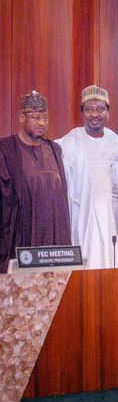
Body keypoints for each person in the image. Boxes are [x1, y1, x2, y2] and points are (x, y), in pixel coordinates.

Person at [0, 91, 71, 273]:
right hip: (23, 238)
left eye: (45, 118)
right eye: (36, 117)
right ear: (22, 117)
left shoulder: (54, 149)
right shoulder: (6, 150)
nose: (42, 123)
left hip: (54, 241)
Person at [56, 85, 118, 268]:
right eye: (89, 110)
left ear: (108, 112)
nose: (94, 114)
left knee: (112, 263)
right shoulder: (70, 141)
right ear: (82, 113)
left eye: (100, 109)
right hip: (83, 215)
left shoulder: (115, 141)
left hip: (111, 214)